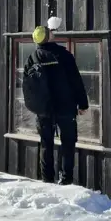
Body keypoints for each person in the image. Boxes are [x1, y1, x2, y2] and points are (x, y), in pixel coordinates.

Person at [23, 25, 89, 185]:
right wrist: (83, 104)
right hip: (65, 106)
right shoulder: (63, 55)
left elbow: (27, 85)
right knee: (68, 142)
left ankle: (47, 179)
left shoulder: (32, 58)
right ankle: (66, 179)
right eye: (50, 32)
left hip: (43, 109)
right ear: (49, 37)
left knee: (46, 143)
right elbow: (75, 80)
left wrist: (34, 106)